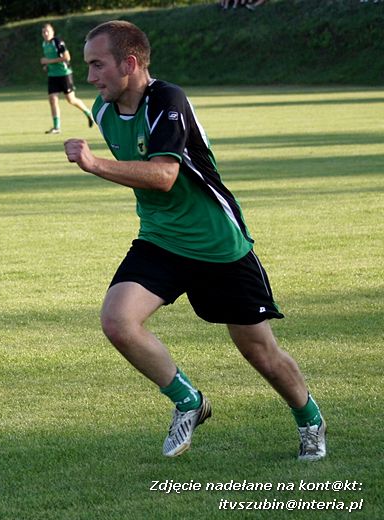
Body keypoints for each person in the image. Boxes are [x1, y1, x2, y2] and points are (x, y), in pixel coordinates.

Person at [63, 20, 326, 460]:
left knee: (259, 352)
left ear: (129, 63)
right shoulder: (105, 111)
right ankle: (189, 401)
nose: (90, 77)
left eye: (97, 65)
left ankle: (310, 420)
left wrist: (94, 164)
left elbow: (165, 175)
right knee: (118, 321)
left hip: (217, 244)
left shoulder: (167, 100)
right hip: (161, 239)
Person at [40, 23, 94, 134]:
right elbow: (51, 58)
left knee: (71, 99)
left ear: (52, 32)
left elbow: (67, 57)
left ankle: (88, 113)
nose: (45, 34)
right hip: (52, 75)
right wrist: (47, 66)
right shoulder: (44, 44)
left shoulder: (57, 42)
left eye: (47, 31)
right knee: (52, 99)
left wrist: (48, 61)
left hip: (64, 74)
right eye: (44, 32)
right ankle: (57, 127)